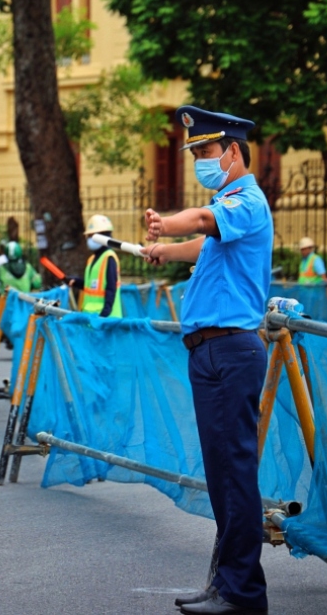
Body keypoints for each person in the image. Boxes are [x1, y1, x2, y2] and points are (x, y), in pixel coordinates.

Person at [143, 106, 272, 615]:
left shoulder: (245, 200)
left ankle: (242, 593)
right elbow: (203, 242)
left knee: (234, 473)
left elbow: (198, 221)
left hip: (230, 349)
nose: (199, 160)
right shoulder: (228, 210)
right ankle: (226, 584)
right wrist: (166, 249)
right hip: (212, 350)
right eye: (195, 152)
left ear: (233, 151)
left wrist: (164, 222)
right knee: (223, 475)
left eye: (205, 151)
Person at [68, 214, 122, 318]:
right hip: (91, 316)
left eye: (93, 236)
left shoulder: (109, 258)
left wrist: (105, 313)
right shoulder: (92, 260)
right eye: (89, 236)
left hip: (106, 319)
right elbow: (92, 287)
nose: (89, 239)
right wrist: (77, 282)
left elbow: (111, 288)